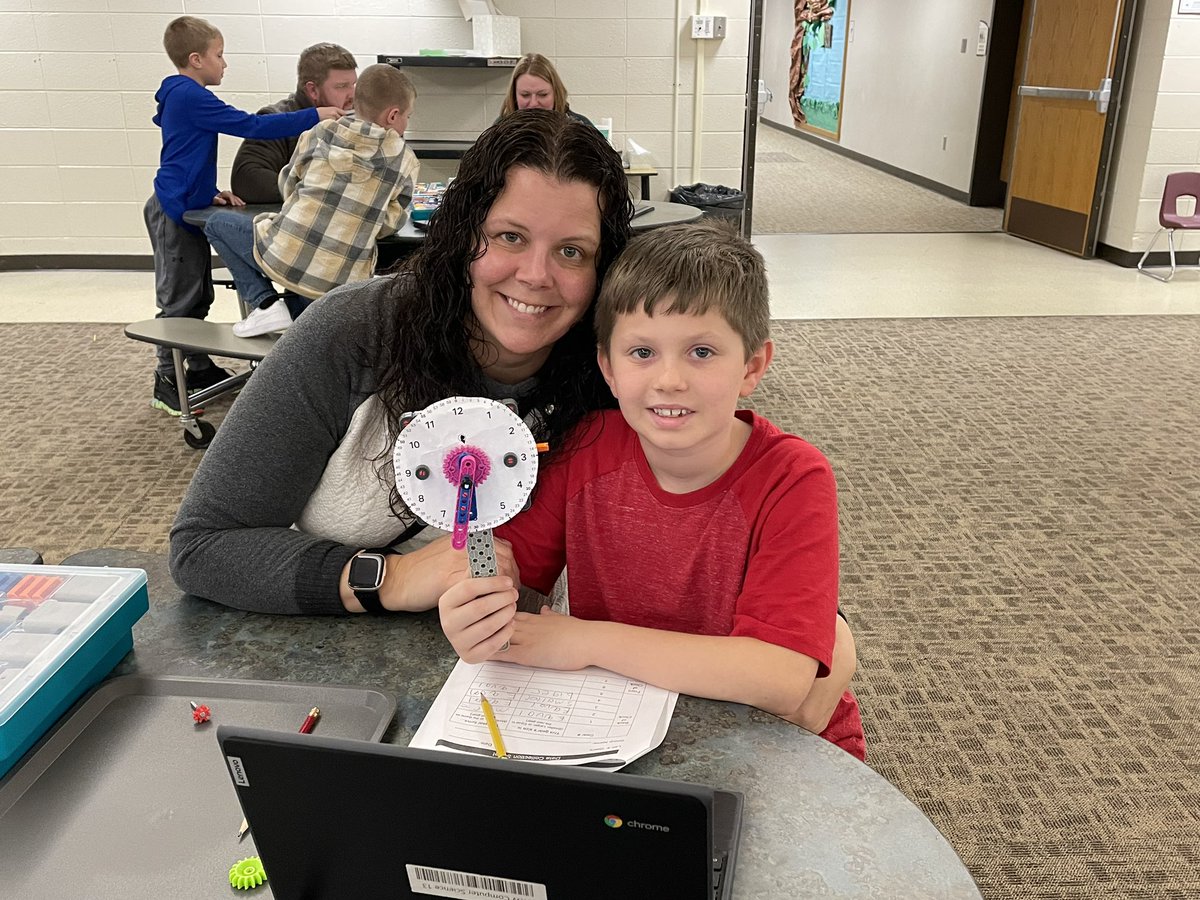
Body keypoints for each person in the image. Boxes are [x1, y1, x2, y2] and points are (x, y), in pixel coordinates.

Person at [169, 110, 635, 616]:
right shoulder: (354, 333)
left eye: (572, 251)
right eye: (510, 237)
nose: (536, 275)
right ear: (463, 234)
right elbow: (203, 546)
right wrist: (393, 577)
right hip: (350, 662)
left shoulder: (620, 369)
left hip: (531, 663)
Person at [438, 220, 866, 760]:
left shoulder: (793, 478)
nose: (669, 380)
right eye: (642, 353)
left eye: (702, 353)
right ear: (608, 368)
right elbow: (508, 569)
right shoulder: (586, 447)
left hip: (779, 746)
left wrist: (585, 640)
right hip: (623, 724)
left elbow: (779, 678)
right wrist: (478, 604)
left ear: (752, 366)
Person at [144, 16, 342, 416]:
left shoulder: (182, 95)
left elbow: (184, 151)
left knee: (200, 294)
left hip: (189, 200)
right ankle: (167, 377)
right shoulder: (189, 95)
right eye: (220, 55)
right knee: (179, 298)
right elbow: (250, 125)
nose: (225, 63)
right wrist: (314, 116)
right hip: (171, 208)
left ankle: (197, 367)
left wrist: (210, 193)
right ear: (196, 59)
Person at [204, 64, 421, 338]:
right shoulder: (405, 159)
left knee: (216, 224)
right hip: (342, 284)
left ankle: (265, 303)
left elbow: (288, 186)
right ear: (393, 115)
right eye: (408, 117)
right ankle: (303, 327)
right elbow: (391, 221)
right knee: (319, 302)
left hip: (284, 259)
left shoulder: (320, 132)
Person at [231, 43, 359, 204]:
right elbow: (248, 180)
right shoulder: (276, 118)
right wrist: (324, 192)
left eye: (353, 85)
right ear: (312, 90)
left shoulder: (359, 119)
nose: (352, 95)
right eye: (341, 86)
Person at [498, 53, 593, 126]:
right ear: (514, 96)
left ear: (556, 94)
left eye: (543, 95)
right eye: (525, 95)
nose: (533, 104)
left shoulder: (581, 126)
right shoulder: (499, 130)